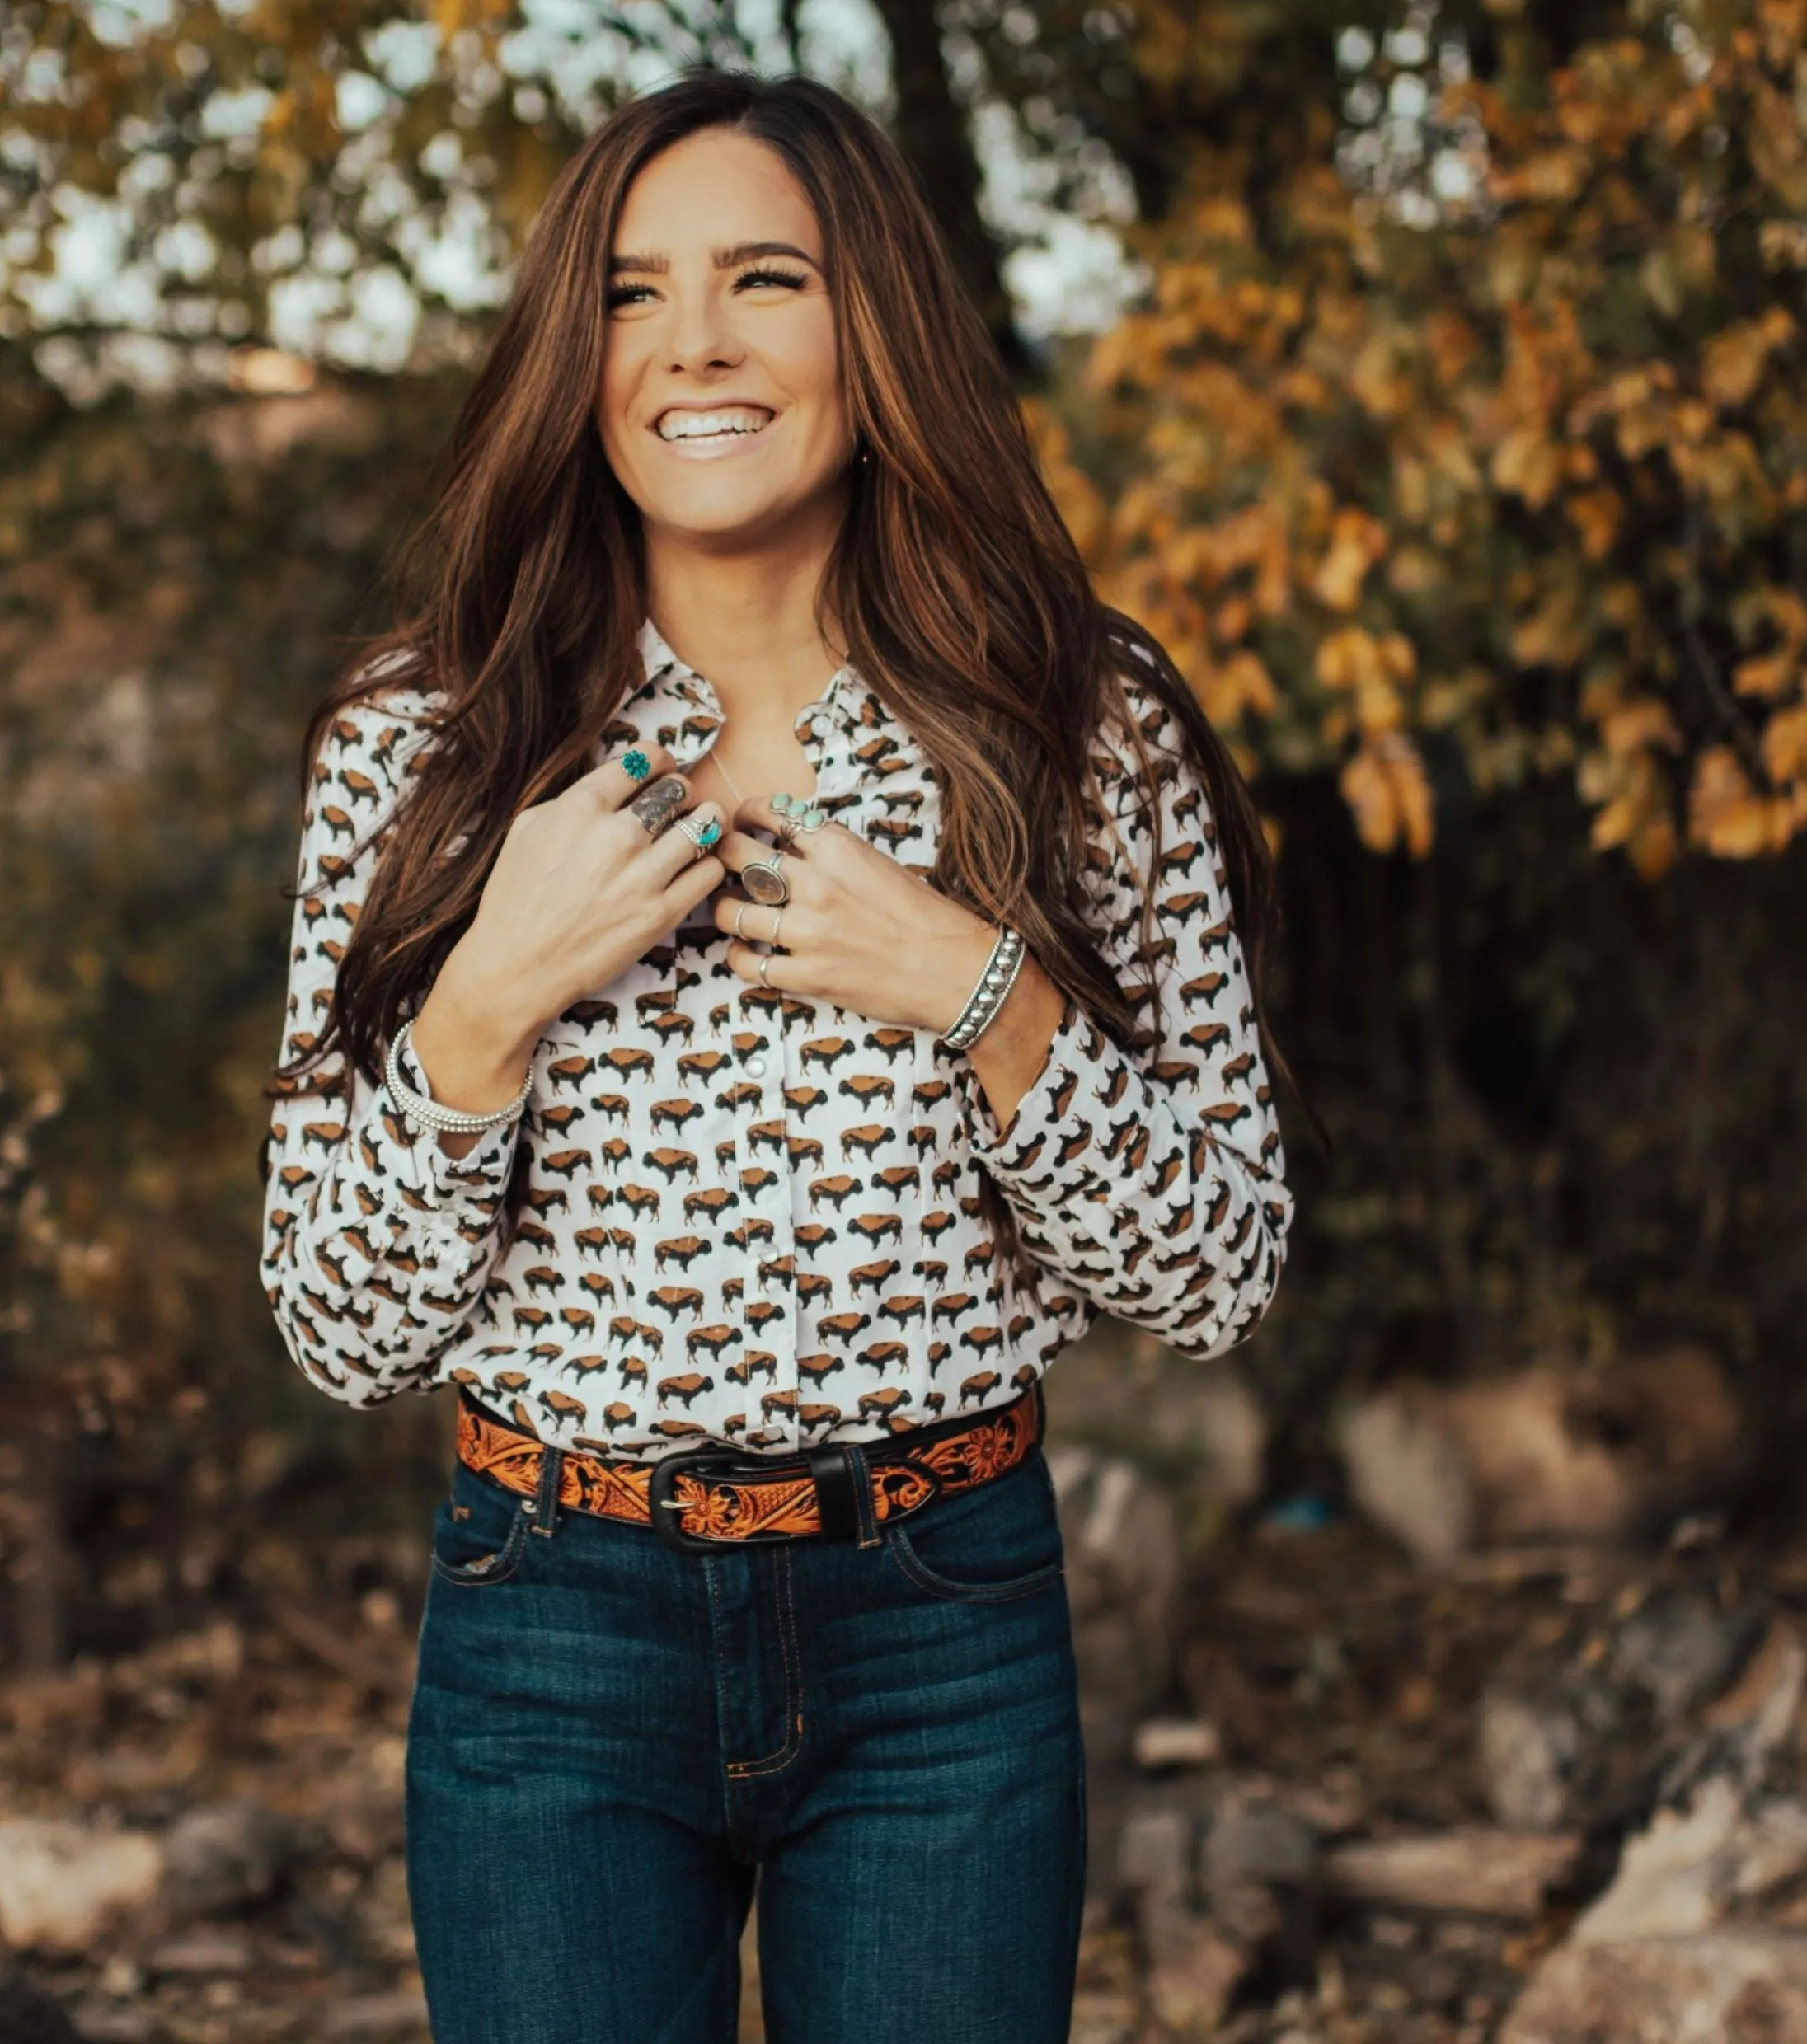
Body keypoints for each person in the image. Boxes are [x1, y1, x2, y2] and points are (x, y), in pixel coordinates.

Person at [260, 65, 1293, 2044]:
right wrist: (489, 1000)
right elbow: (340, 1326)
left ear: (871, 326)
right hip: (553, 1619)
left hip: (943, 1624)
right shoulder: (431, 745)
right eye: (633, 295)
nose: (695, 347)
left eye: (764, 280)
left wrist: (980, 992)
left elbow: (1215, 1271)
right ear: (577, 352)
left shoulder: (1076, 723)